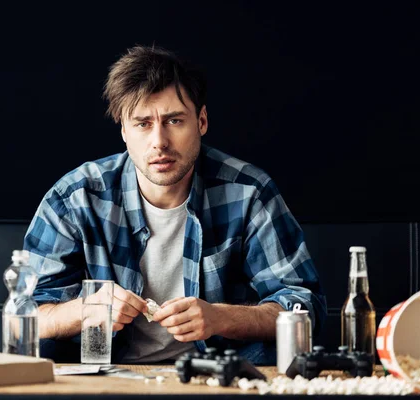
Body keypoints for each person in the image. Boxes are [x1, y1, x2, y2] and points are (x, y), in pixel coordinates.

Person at [23, 45, 327, 365]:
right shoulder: (75, 198)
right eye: (143, 123)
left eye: (174, 120)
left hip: (217, 379)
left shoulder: (248, 193)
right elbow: (24, 314)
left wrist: (222, 318)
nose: (159, 142)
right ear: (124, 130)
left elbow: (305, 307)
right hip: (103, 376)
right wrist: (85, 310)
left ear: (202, 121)